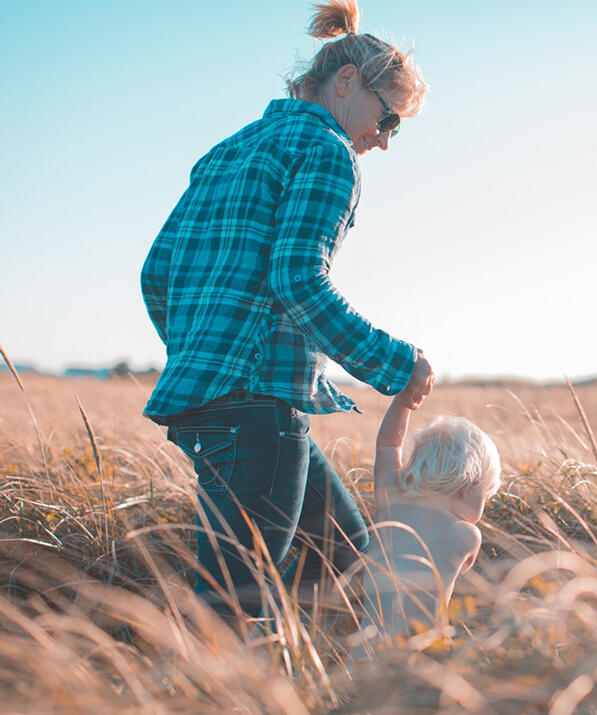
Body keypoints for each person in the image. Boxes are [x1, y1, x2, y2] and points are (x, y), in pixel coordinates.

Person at [139, 0, 432, 618]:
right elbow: (298, 280)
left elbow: (156, 275)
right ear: (348, 82)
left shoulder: (228, 149)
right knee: (233, 610)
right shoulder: (329, 152)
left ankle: (362, 694)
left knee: (351, 563)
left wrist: (204, 356)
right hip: (257, 409)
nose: (384, 141)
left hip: (212, 401)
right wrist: (395, 364)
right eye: (390, 121)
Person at [354, 391, 501, 640]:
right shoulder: (467, 535)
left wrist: (403, 403)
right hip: (417, 653)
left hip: (364, 648)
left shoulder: (391, 503)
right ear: (466, 488)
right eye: (484, 497)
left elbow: (389, 445)